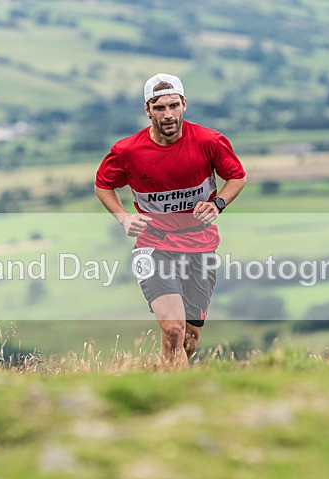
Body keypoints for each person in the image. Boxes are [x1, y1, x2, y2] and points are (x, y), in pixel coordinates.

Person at [95, 72, 247, 367]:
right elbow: (103, 185)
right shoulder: (127, 150)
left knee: (189, 337)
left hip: (200, 247)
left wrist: (218, 203)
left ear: (184, 104)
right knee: (173, 328)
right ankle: (170, 383)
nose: (168, 114)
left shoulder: (209, 141)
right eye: (160, 107)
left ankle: (169, 376)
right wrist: (124, 218)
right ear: (147, 110)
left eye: (173, 106)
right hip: (155, 245)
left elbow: (237, 176)